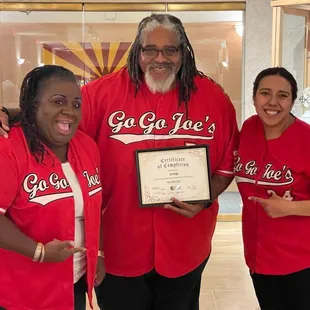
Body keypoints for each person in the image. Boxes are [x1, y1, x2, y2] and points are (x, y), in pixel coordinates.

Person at [0, 14, 238, 310]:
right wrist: (11, 113)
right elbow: (57, 114)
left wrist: (205, 199)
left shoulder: (214, 98)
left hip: (186, 245)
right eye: (150, 49)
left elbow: (226, 166)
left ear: (184, 52)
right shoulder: (100, 94)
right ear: (137, 51)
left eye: (170, 50)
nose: (159, 58)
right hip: (116, 247)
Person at [0, 65, 104, 310]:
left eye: (76, 104)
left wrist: (97, 254)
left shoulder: (87, 146)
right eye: (58, 102)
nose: (69, 111)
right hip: (22, 293)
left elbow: (94, 208)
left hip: (74, 283)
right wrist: (39, 252)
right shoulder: (8, 149)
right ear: (34, 105)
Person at [235, 67, 310, 310]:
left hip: (300, 261)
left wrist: (290, 208)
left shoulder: (306, 139)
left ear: (292, 101)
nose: (273, 102)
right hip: (258, 257)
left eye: (282, 95)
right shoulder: (249, 129)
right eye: (265, 93)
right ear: (254, 97)